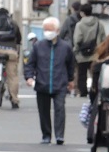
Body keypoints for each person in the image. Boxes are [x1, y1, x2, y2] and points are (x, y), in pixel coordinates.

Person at [23, 15, 76, 145]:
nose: (47, 32)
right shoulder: (38, 46)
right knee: (43, 111)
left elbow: (70, 65)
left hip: (60, 84)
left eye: (50, 29)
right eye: (45, 29)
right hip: (42, 83)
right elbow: (30, 64)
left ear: (57, 31)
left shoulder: (65, 47)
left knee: (60, 109)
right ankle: (46, 135)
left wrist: (70, 80)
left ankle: (59, 135)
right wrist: (29, 77)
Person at [71, 4, 106, 98]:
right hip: (95, 53)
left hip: (82, 54)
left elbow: (77, 39)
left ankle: (83, 92)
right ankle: (95, 91)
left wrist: (75, 50)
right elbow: (103, 39)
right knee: (95, 74)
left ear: (82, 13)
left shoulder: (79, 25)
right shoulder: (99, 24)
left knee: (82, 74)